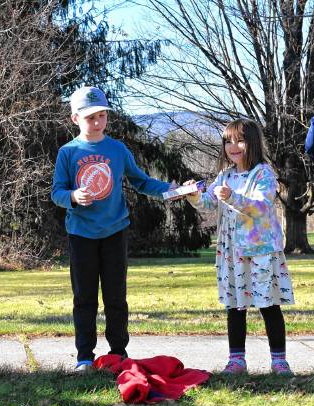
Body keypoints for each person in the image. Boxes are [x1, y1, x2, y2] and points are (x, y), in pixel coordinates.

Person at [51, 86, 177, 371]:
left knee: (116, 297)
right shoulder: (68, 153)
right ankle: (85, 356)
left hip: (115, 233)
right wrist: (72, 197)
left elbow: (142, 182)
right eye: (90, 117)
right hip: (81, 235)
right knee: (84, 298)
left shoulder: (117, 150)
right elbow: (56, 192)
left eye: (101, 116)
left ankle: (118, 353)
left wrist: (171, 190)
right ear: (75, 119)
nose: (96, 123)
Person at [184, 118, 295, 375]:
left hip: (261, 251)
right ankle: (237, 360)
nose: (233, 146)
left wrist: (232, 197)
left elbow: (260, 207)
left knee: (268, 305)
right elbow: (210, 204)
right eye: (228, 141)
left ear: (253, 143)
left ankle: (279, 361)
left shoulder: (264, 173)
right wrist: (194, 196)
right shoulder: (225, 175)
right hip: (232, 252)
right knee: (235, 305)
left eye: (240, 140)